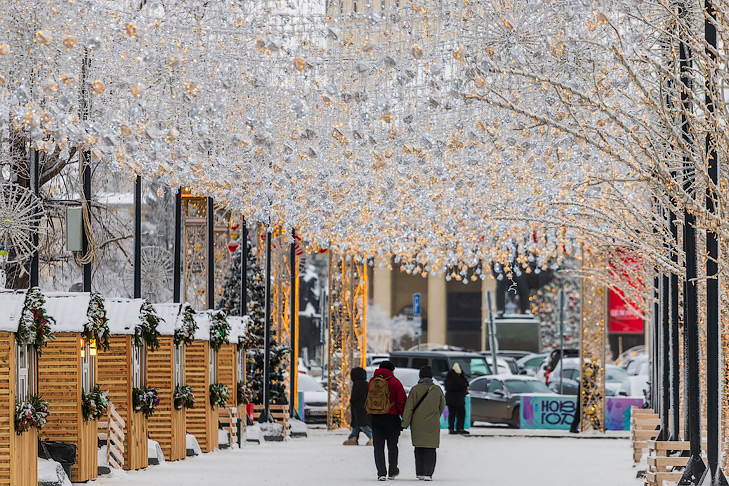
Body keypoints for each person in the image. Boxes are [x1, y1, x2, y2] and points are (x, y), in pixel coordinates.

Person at [402, 365, 446, 481]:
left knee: (419, 447)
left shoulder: (415, 389)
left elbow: (409, 408)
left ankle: (420, 472)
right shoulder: (437, 389)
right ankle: (428, 473)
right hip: (432, 423)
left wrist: (404, 423)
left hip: (417, 423)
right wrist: (435, 416)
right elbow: (442, 406)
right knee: (431, 448)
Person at [367, 360, 407, 481]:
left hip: (376, 417)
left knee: (378, 447)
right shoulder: (395, 382)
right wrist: (403, 416)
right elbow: (402, 401)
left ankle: (381, 473)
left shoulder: (372, 382)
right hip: (392, 417)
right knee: (392, 446)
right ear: (392, 370)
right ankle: (392, 471)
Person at [343, 367, 373, 446]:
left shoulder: (356, 384)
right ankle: (353, 437)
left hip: (357, 408)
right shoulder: (367, 384)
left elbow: (354, 397)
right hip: (366, 407)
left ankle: (372, 437)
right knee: (357, 425)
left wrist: (351, 402)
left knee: (362, 424)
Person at [444, 362, 469, 434]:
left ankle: (451, 428)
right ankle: (460, 428)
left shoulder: (448, 377)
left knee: (452, 414)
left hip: (451, 399)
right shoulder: (459, 378)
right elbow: (464, 384)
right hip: (458, 399)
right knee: (460, 414)